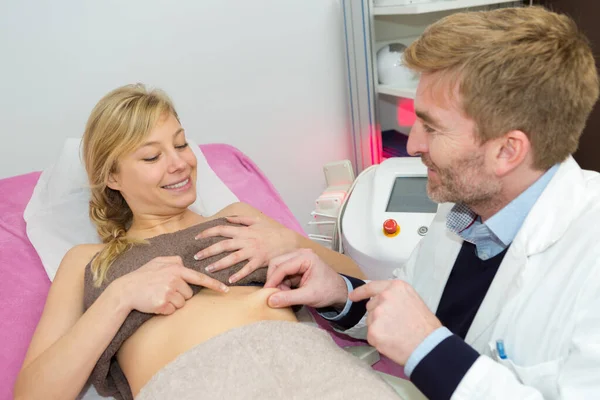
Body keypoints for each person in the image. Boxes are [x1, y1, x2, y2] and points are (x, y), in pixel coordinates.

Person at [263, 6, 600, 399]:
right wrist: (341, 293)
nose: (411, 144)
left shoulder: (588, 258)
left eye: (432, 127)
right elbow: (408, 308)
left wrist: (429, 346)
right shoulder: (465, 205)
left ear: (508, 151)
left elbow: (422, 334)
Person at [12, 84, 394, 400]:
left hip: (309, 367)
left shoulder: (240, 216)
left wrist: (289, 242)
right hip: (194, 384)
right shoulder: (87, 261)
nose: (179, 163)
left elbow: (357, 285)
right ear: (112, 176)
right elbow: (33, 394)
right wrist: (120, 296)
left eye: (180, 144)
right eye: (151, 156)